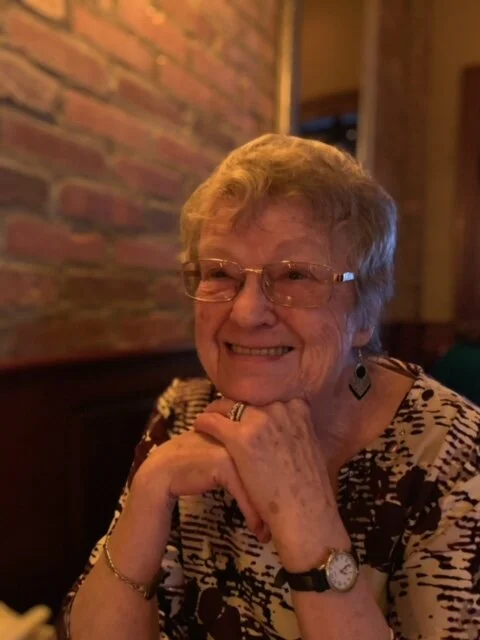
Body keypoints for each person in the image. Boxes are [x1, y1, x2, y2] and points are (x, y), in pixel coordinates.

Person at [57, 134, 480, 640]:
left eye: (296, 275)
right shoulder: (185, 411)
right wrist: (150, 489)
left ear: (364, 312)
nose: (246, 312)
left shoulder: (453, 454)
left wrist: (307, 520)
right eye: (220, 272)